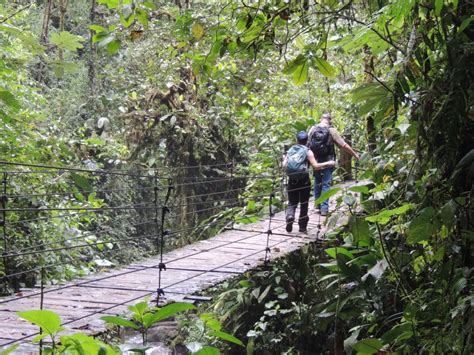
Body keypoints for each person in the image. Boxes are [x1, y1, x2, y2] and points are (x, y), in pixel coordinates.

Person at [283, 131, 335, 233]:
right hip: (304, 181)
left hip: (292, 181)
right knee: (304, 203)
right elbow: (315, 166)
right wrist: (329, 163)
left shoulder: (290, 151)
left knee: (292, 202)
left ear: (296, 139)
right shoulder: (308, 151)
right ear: (307, 140)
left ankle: (290, 216)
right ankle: (302, 227)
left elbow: (284, 165)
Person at [308, 113, 360, 216]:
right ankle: (324, 209)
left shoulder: (312, 129)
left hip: (316, 160)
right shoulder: (332, 130)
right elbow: (343, 145)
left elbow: (307, 144)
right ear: (330, 120)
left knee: (318, 182)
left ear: (321, 119)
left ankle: (318, 205)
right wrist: (354, 154)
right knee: (326, 183)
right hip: (328, 161)